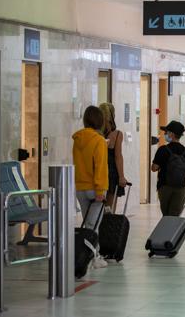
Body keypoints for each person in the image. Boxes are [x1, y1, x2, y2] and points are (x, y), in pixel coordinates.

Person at [72, 105, 109, 269]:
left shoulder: (78, 139)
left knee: (88, 223)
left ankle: (90, 255)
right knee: (93, 226)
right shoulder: (99, 140)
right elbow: (100, 166)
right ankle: (93, 257)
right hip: (95, 189)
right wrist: (100, 190)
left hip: (80, 187)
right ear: (100, 121)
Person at [151, 121, 185, 216]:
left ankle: (166, 230)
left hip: (164, 187)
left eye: (166, 132)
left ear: (171, 134)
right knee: (175, 216)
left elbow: (154, 168)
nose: (165, 134)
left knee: (166, 215)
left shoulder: (163, 149)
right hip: (180, 188)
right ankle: (173, 231)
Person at [99, 103, 128, 213]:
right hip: (111, 173)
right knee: (109, 208)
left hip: (98, 171)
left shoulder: (95, 134)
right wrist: (121, 176)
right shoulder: (117, 134)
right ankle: (108, 227)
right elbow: (118, 156)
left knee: (96, 209)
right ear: (113, 116)